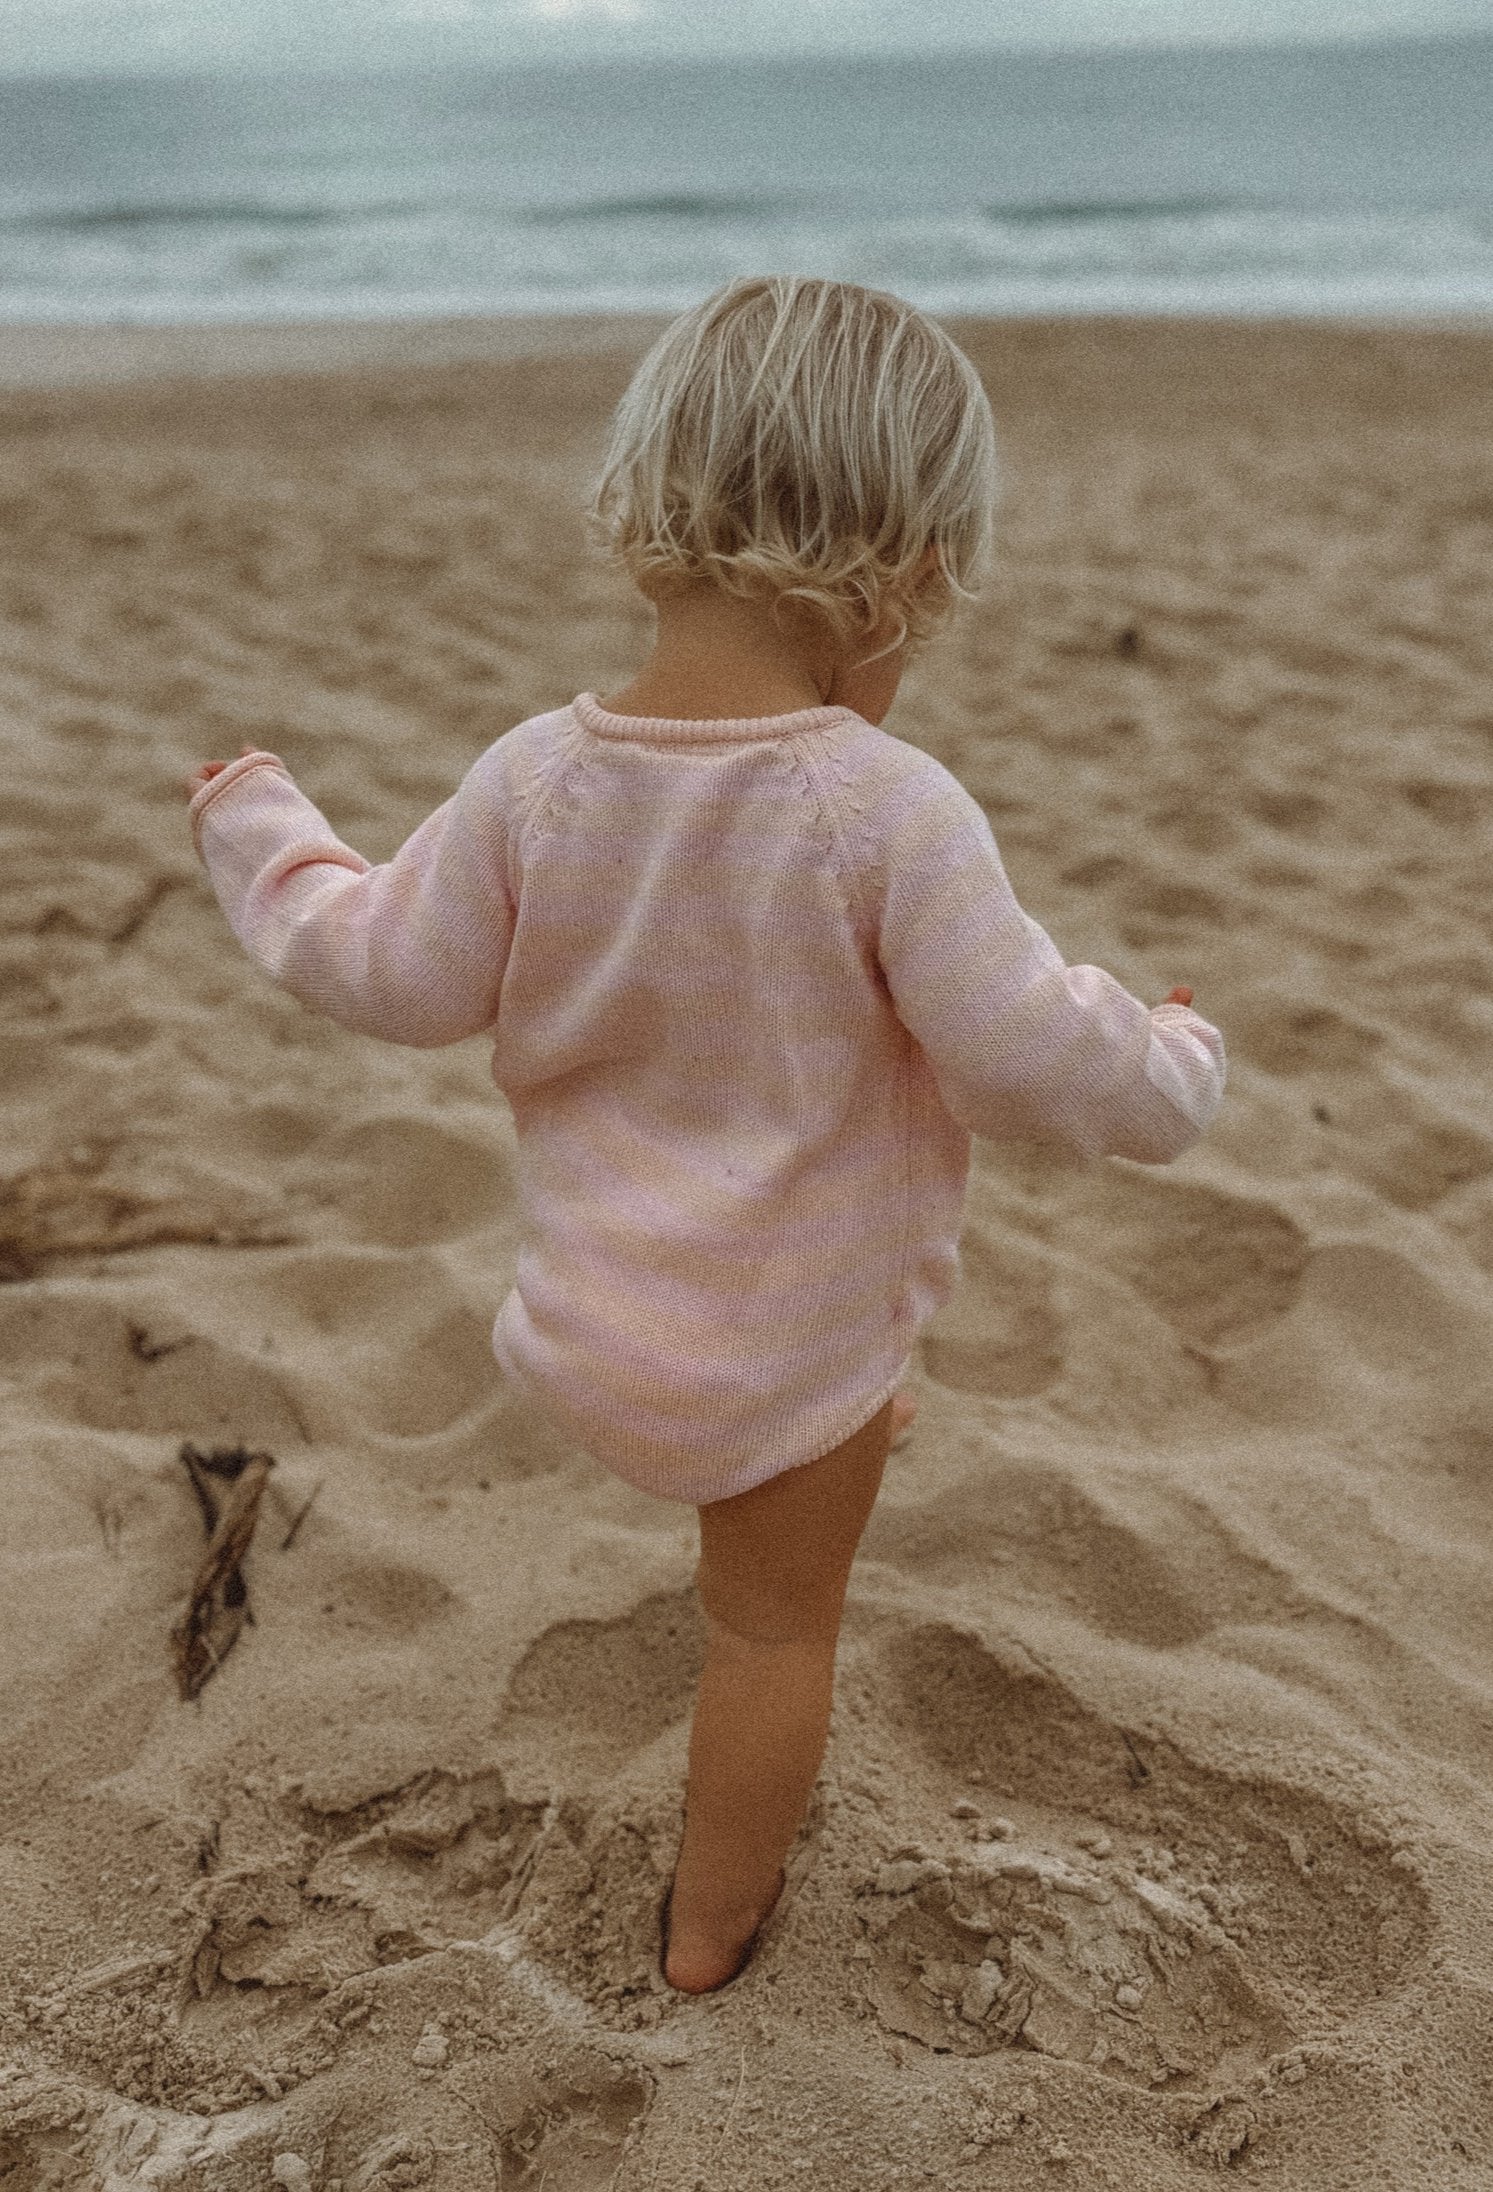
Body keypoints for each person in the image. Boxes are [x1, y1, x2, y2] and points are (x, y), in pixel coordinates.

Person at [185, 274, 1224, 1999]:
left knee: (776, 1477)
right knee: (767, 1631)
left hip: (585, 1337)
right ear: (896, 574)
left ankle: (802, 1433)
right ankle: (704, 1936)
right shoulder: (883, 807)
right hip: (770, 1367)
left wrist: (263, 828)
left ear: (652, 513)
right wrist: (1177, 1053)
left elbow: (379, 965)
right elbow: (1035, 1060)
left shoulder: (533, 774)